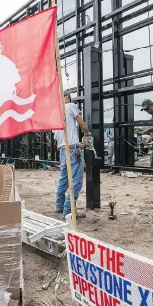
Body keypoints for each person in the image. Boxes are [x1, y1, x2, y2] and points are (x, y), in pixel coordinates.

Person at [53, 91, 91, 219]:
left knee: (64, 178)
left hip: (63, 149)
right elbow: (83, 124)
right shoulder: (70, 106)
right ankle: (69, 212)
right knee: (76, 181)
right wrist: (87, 135)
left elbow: (63, 135)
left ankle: (59, 205)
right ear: (66, 98)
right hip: (72, 150)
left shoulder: (55, 112)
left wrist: (75, 143)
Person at [138, 99, 153, 168]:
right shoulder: (150, 121)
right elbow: (151, 134)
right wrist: (145, 141)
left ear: (152, 105)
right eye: (145, 110)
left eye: (147, 108)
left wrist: (145, 131)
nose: (147, 111)